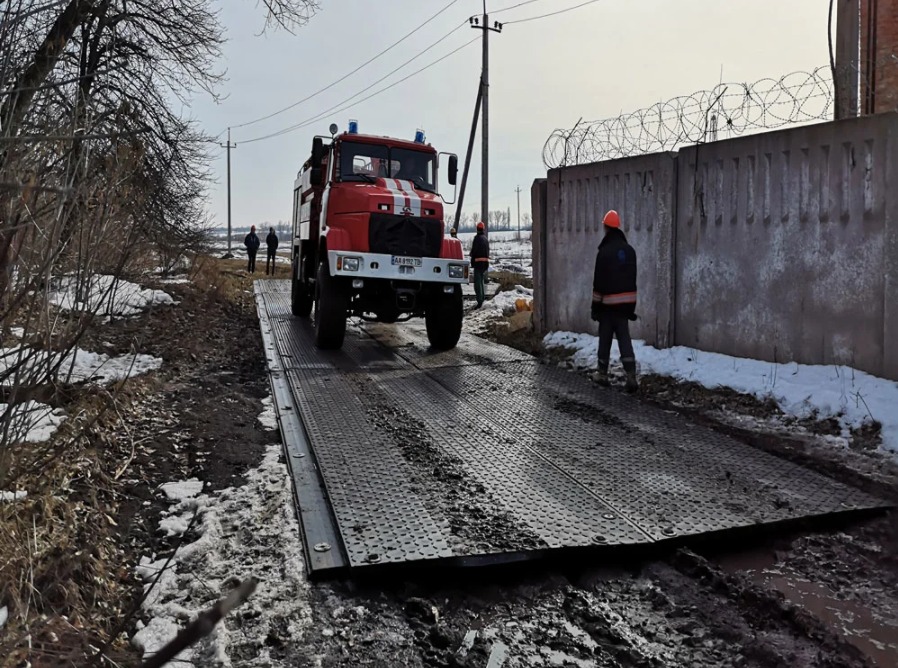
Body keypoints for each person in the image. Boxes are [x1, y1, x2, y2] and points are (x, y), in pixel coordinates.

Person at [591, 210, 639, 392]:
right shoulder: (630, 251)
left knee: (605, 339)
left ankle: (602, 374)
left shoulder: (604, 252)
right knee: (624, 338)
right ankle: (631, 376)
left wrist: (595, 307)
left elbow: (599, 283)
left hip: (608, 305)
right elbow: (632, 279)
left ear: (605, 227)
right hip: (625, 306)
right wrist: (630, 306)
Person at [470, 221, 489, 308]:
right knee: (481, 281)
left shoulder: (476, 239)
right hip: (485, 264)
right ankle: (482, 298)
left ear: (477, 229)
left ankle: (480, 301)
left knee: (478, 283)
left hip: (478, 263)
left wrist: (472, 261)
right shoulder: (485, 239)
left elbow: (474, 251)